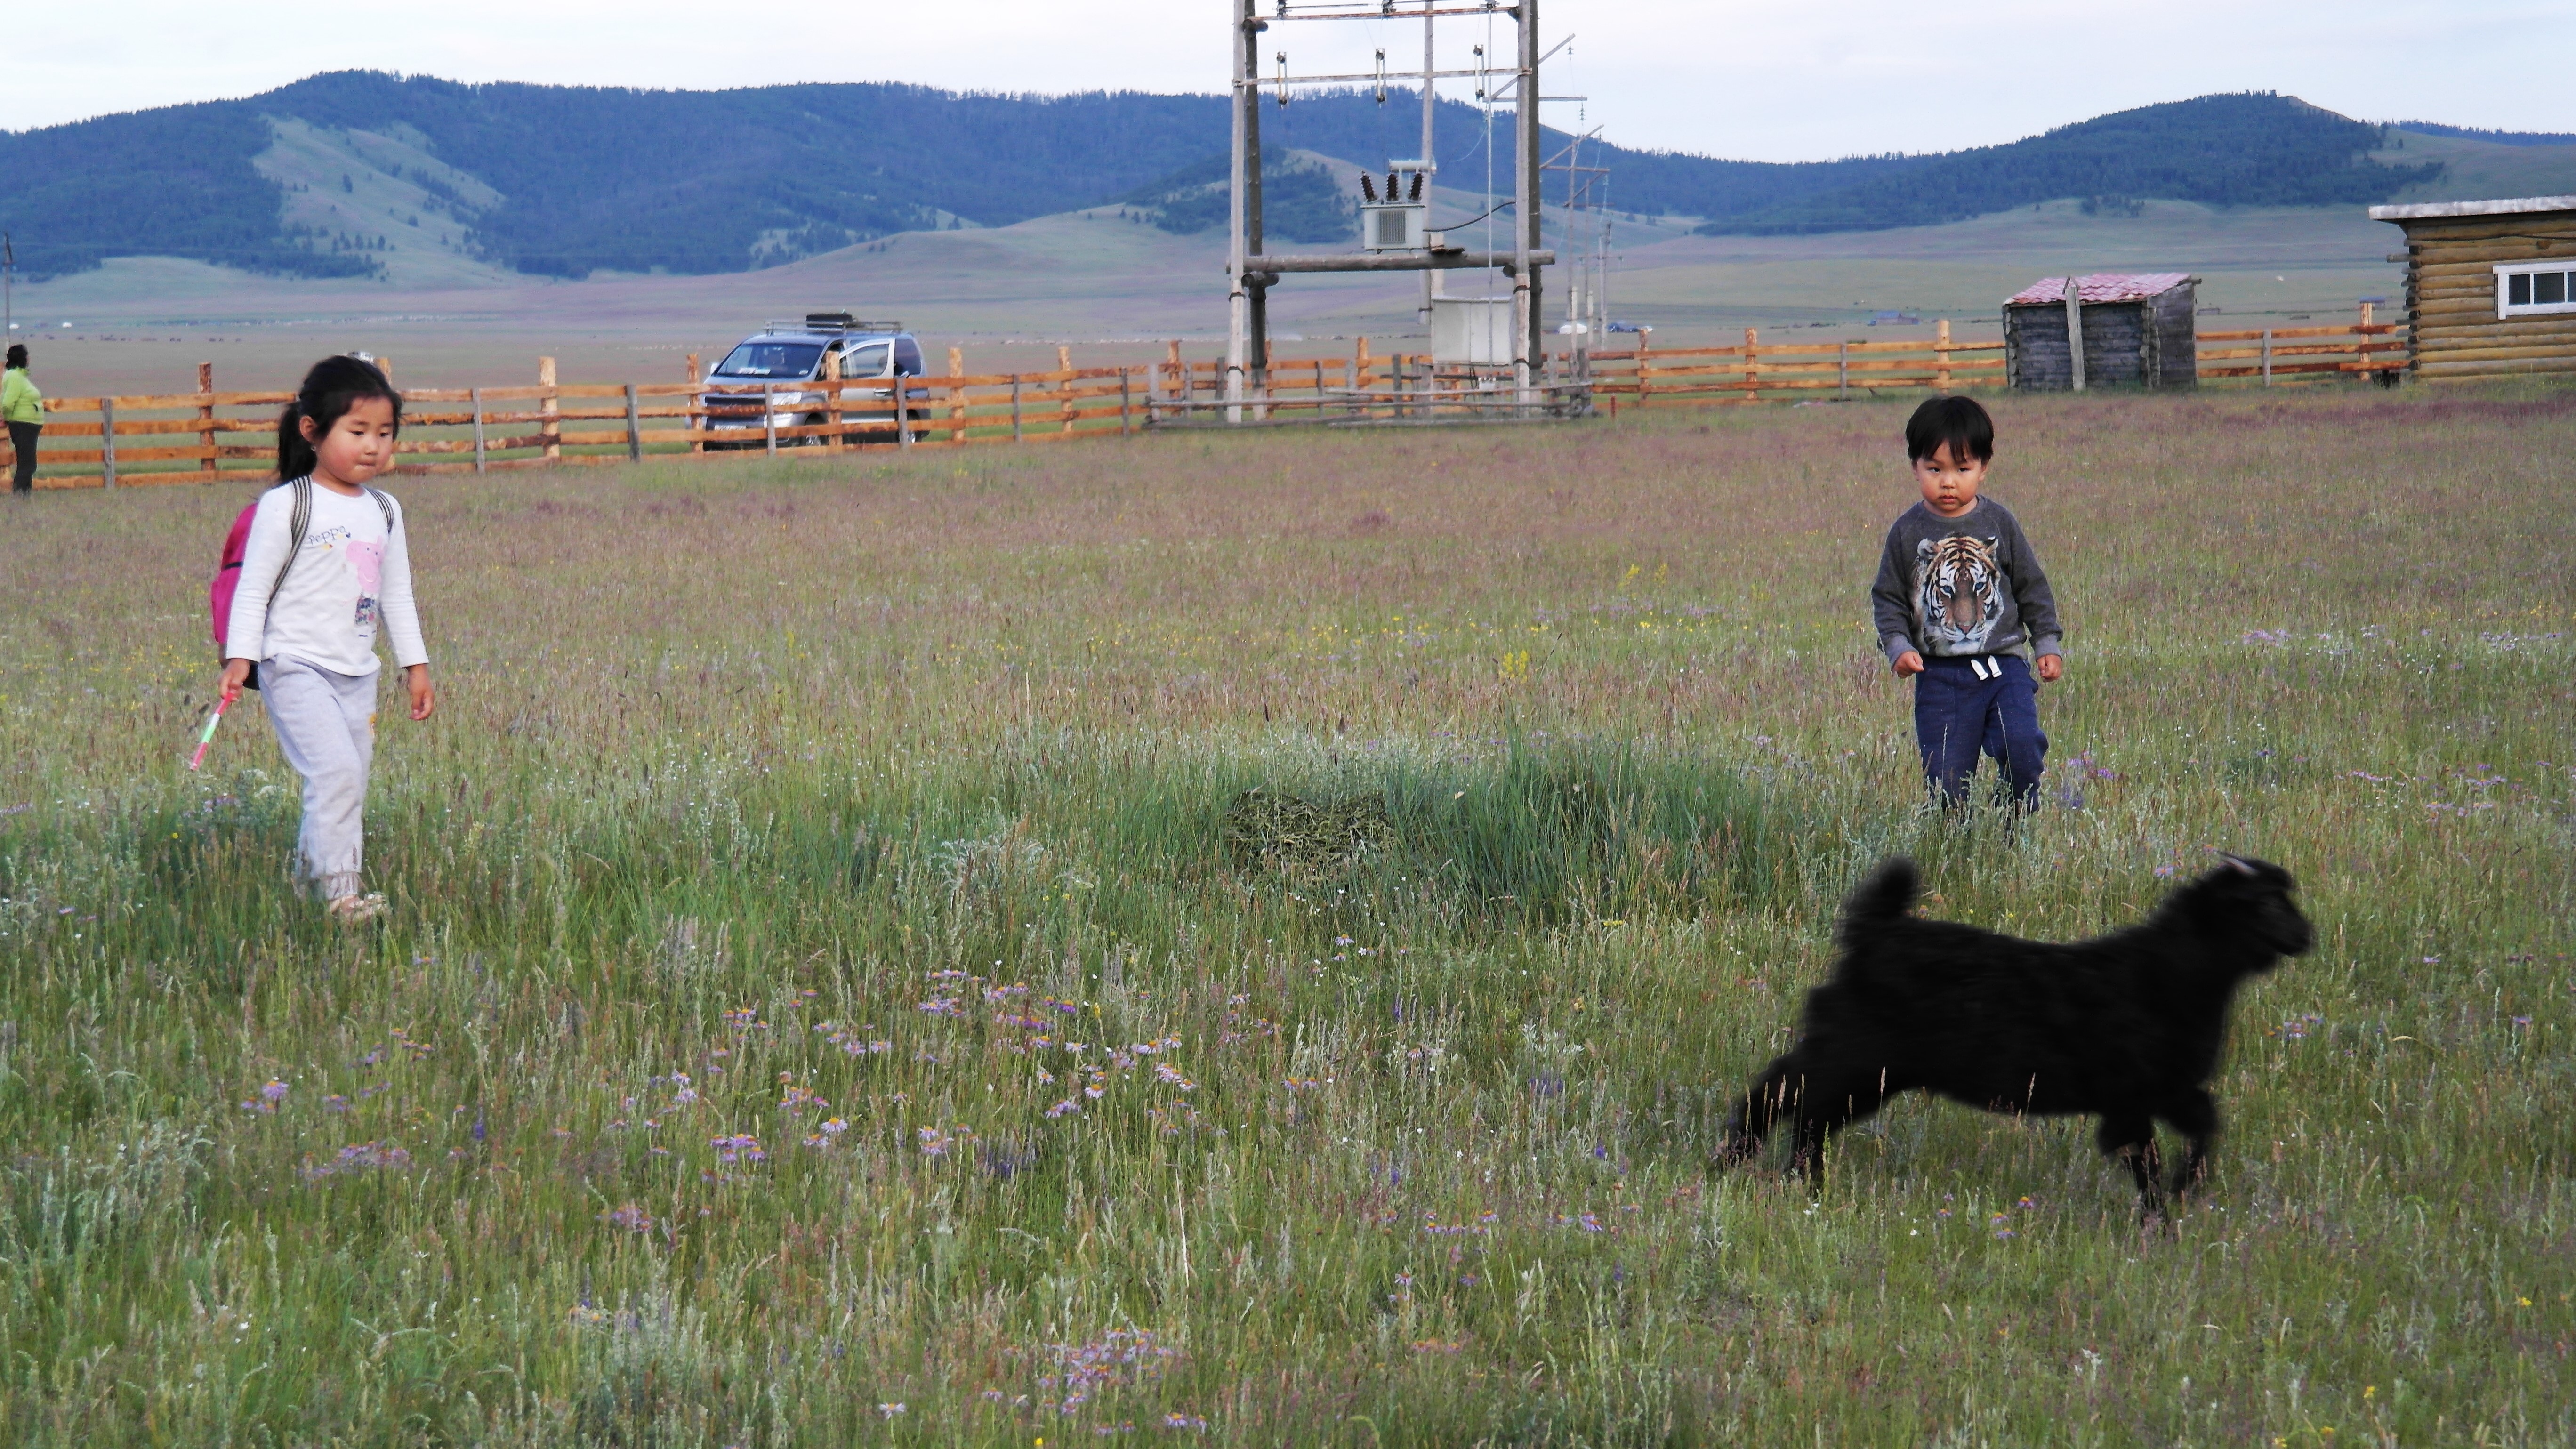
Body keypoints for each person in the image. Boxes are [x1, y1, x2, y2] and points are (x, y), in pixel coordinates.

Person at [220, 356, 434, 922]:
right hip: (293, 665)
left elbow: (397, 595)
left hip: (358, 673)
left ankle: (307, 888)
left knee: (348, 782)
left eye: (384, 434)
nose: (373, 447)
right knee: (336, 774)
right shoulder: (288, 504)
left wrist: (415, 667)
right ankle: (341, 898)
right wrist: (240, 659)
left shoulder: (386, 510)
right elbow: (253, 589)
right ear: (312, 431)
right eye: (358, 431)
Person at [1870, 395, 2063, 812]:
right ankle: (1957, 843)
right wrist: (1898, 647)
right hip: (1939, 677)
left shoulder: (1999, 523)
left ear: (1983, 467)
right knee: (1946, 787)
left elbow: (2032, 586)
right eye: (1935, 469)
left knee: (2022, 746)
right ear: (1915, 466)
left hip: (2003, 667)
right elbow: (1887, 598)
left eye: (1962, 469)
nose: (1948, 482)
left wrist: (2046, 642)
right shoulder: (1906, 533)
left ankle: (2014, 823)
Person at [3, 344, 41, 494]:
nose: (29, 358)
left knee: (28, 463)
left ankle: (25, 494)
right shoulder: (15, 377)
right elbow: (7, 403)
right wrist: (7, 418)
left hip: (27, 425)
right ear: (23, 358)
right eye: (27, 355)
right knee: (27, 464)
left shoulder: (18, 376)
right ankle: (20, 494)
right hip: (23, 425)